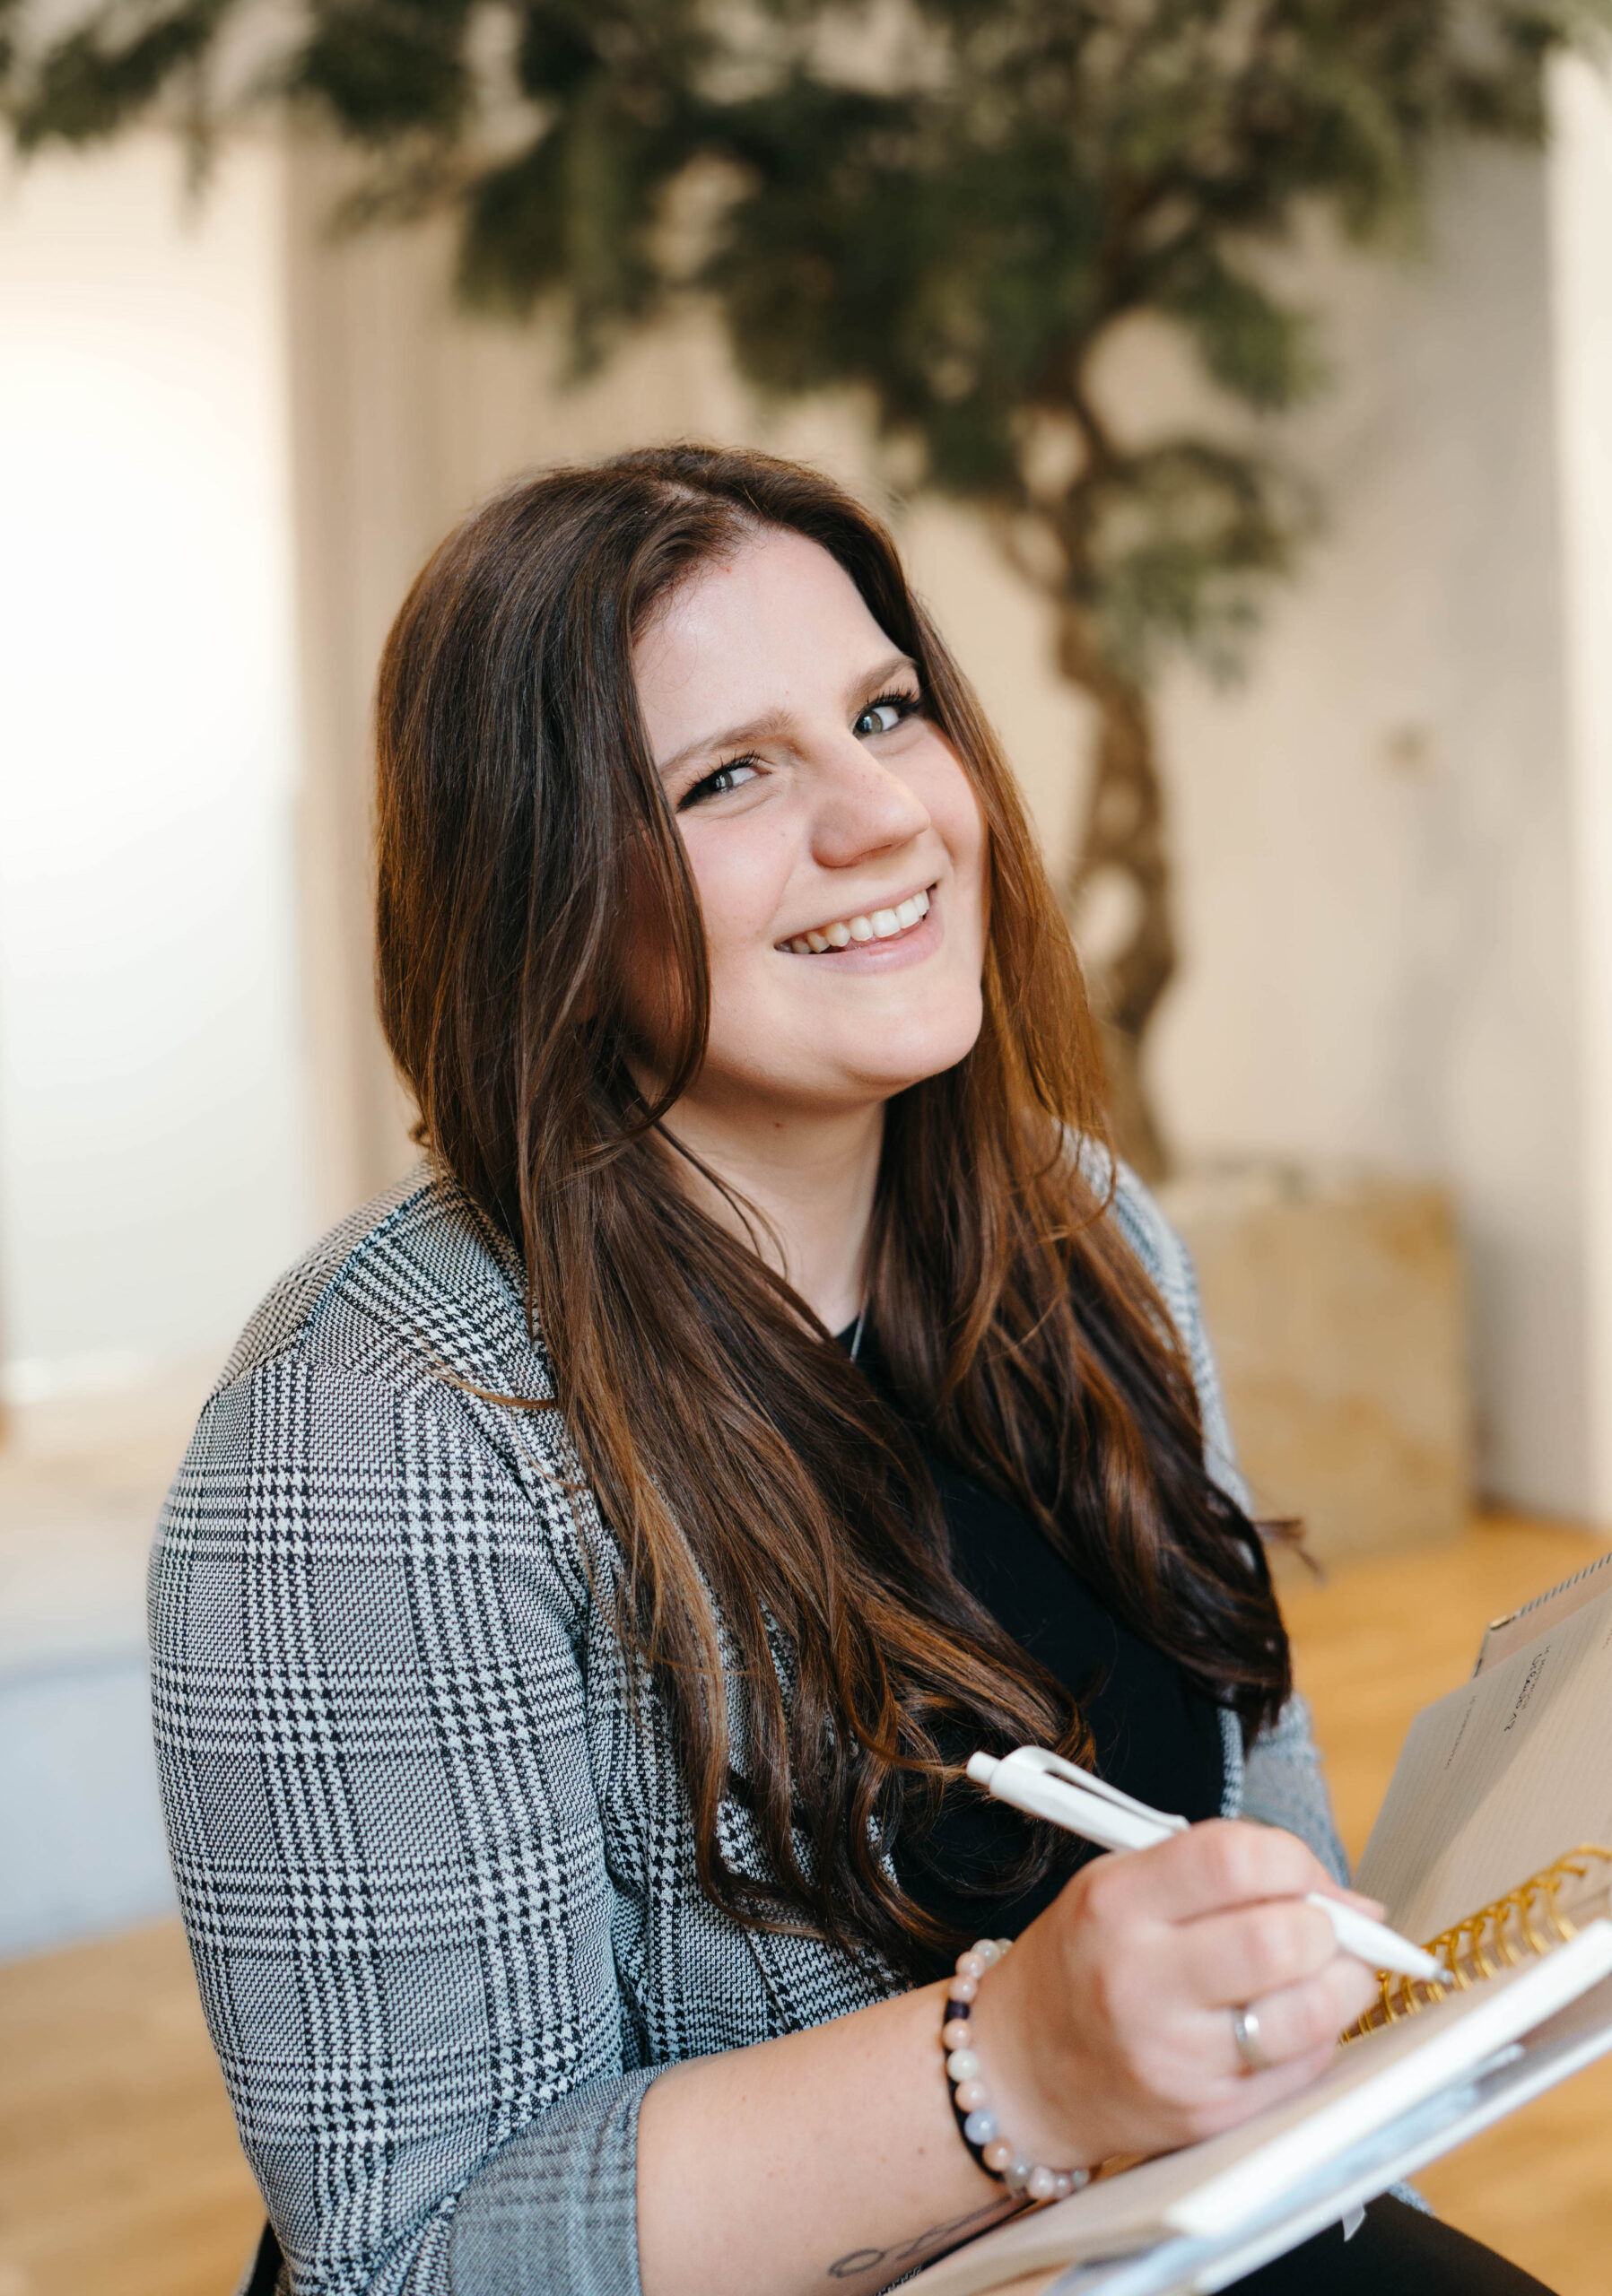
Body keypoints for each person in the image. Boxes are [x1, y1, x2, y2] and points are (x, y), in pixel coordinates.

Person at [152, 445, 1554, 2296]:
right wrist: (1016, 2068)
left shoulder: (1088, 1234)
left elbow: (1250, 1804)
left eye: (884, 711)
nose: (881, 814)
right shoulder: (373, 1429)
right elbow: (417, 2250)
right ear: (541, 895)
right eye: (726, 775)